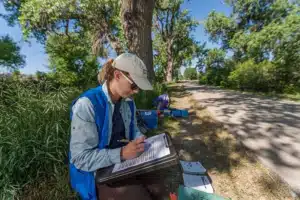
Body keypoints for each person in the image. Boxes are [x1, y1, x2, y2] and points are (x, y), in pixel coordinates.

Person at [68, 53, 167, 200]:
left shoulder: (128, 102)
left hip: (124, 162)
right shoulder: (86, 105)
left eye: (138, 87)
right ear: (117, 75)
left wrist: (140, 139)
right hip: (97, 172)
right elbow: (80, 158)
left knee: (159, 188)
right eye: (134, 85)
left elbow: (133, 128)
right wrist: (121, 154)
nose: (136, 92)